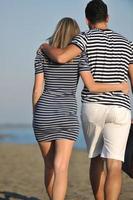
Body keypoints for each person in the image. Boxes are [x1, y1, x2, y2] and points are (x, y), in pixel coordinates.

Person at [40, 1, 133, 199]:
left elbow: (62, 58)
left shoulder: (83, 38)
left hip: (93, 106)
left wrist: (45, 47)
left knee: (97, 159)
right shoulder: (127, 43)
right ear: (107, 18)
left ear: (87, 20)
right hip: (120, 108)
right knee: (115, 163)